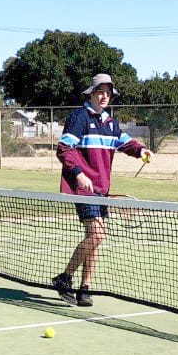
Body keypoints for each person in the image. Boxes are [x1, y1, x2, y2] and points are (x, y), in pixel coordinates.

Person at [51, 73, 151, 308]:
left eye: (108, 92)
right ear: (91, 93)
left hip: (102, 190)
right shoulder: (79, 117)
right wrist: (79, 173)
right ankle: (64, 277)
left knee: (94, 240)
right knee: (97, 235)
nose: (104, 96)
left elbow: (127, 144)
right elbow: (64, 148)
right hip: (83, 188)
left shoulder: (111, 124)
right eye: (100, 91)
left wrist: (141, 151)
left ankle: (85, 288)